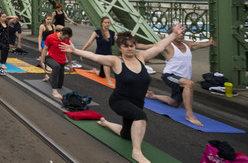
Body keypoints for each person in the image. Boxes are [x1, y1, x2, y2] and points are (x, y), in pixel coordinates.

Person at [61, 24, 185, 163]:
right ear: (120, 48)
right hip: (119, 101)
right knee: (141, 116)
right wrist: (75, 51)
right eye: (126, 46)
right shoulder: (116, 61)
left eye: (132, 46)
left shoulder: (141, 57)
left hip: (137, 103)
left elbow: (159, 47)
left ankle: (106, 123)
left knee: (126, 135)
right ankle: (137, 152)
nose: (130, 49)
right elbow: (94, 57)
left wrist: (174, 34)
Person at [138, 26, 217, 127]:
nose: (181, 34)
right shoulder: (167, 46)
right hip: (169, 76)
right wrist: (129, 45)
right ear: (172, 34)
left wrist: (209, 43)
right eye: (178, 33)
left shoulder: (187, 44)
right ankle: (189, 115)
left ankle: (152, 96)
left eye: (182, 33)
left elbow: (199, 44)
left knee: (174, 103)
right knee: (189, 84)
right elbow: (146, 46)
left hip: (182, 79)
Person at [81, 17, 117, 86]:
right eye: (105, 22)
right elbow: (90, 42)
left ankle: (95, 71)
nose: (107, 24)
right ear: (102, 23)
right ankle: (109, 80)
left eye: (108, 23)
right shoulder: (97, 32)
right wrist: (82, 51)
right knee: (106, 63)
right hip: (100, 55)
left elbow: (119, 43)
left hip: (109, 54)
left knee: (102, 75)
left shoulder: (112, 33)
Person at [40, 27, 74, 99]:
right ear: (61, 33)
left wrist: (70, 64)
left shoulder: (67, 39)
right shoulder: (51, 37)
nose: (65, 40)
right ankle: (54, 91)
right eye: (65, 38)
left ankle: (48, 78)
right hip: (50, 58)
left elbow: (68, 52)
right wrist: (42, 61)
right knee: (56, 66)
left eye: (67, 38)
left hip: (61, 61)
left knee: (59, 85)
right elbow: (45, 49)